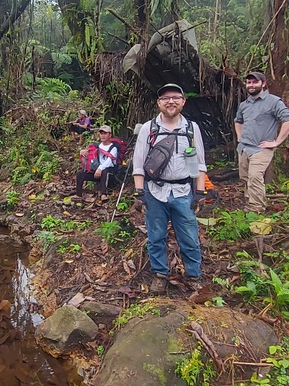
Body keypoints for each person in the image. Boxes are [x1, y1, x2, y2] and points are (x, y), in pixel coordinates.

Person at [131, 83, 207, 293]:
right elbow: (138, 164)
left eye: (175, 97)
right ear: (159, 103)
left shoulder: (191, 129)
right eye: (165, 98)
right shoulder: (149, 128)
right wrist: (139, 193)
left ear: (183, 101)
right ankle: (160, 274)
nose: (170, 101)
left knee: (189, 237)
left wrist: (200, 193)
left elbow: (200, 164)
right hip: (155, 191)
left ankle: (193, 275)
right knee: (156, 237)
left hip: (183, 192)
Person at [234, 71, 289, 213]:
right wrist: (239, 137)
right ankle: (249, 205)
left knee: (255, 177)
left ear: (263, 84)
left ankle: (256, 210)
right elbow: (238, 121)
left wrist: (277, 142)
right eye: (249, 82)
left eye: (255, 82)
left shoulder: (273, 101)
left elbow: (288, 120)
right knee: (245, 178)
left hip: (261, 149)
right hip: (244, 148)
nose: (251, 85)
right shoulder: (244, 104)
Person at [74, 126, 120, 201]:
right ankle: (78, 194)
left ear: (110, 135)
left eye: (105, 133)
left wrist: (100, 168)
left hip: (109, 173)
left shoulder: (113, 148)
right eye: (101, 133)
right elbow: (88, 152)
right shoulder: (97, 146)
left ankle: (103, 194)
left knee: (104, 171)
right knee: (80, 174)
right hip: (96, 172)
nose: (103, 135)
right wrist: (82, 152)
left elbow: (109, 161)